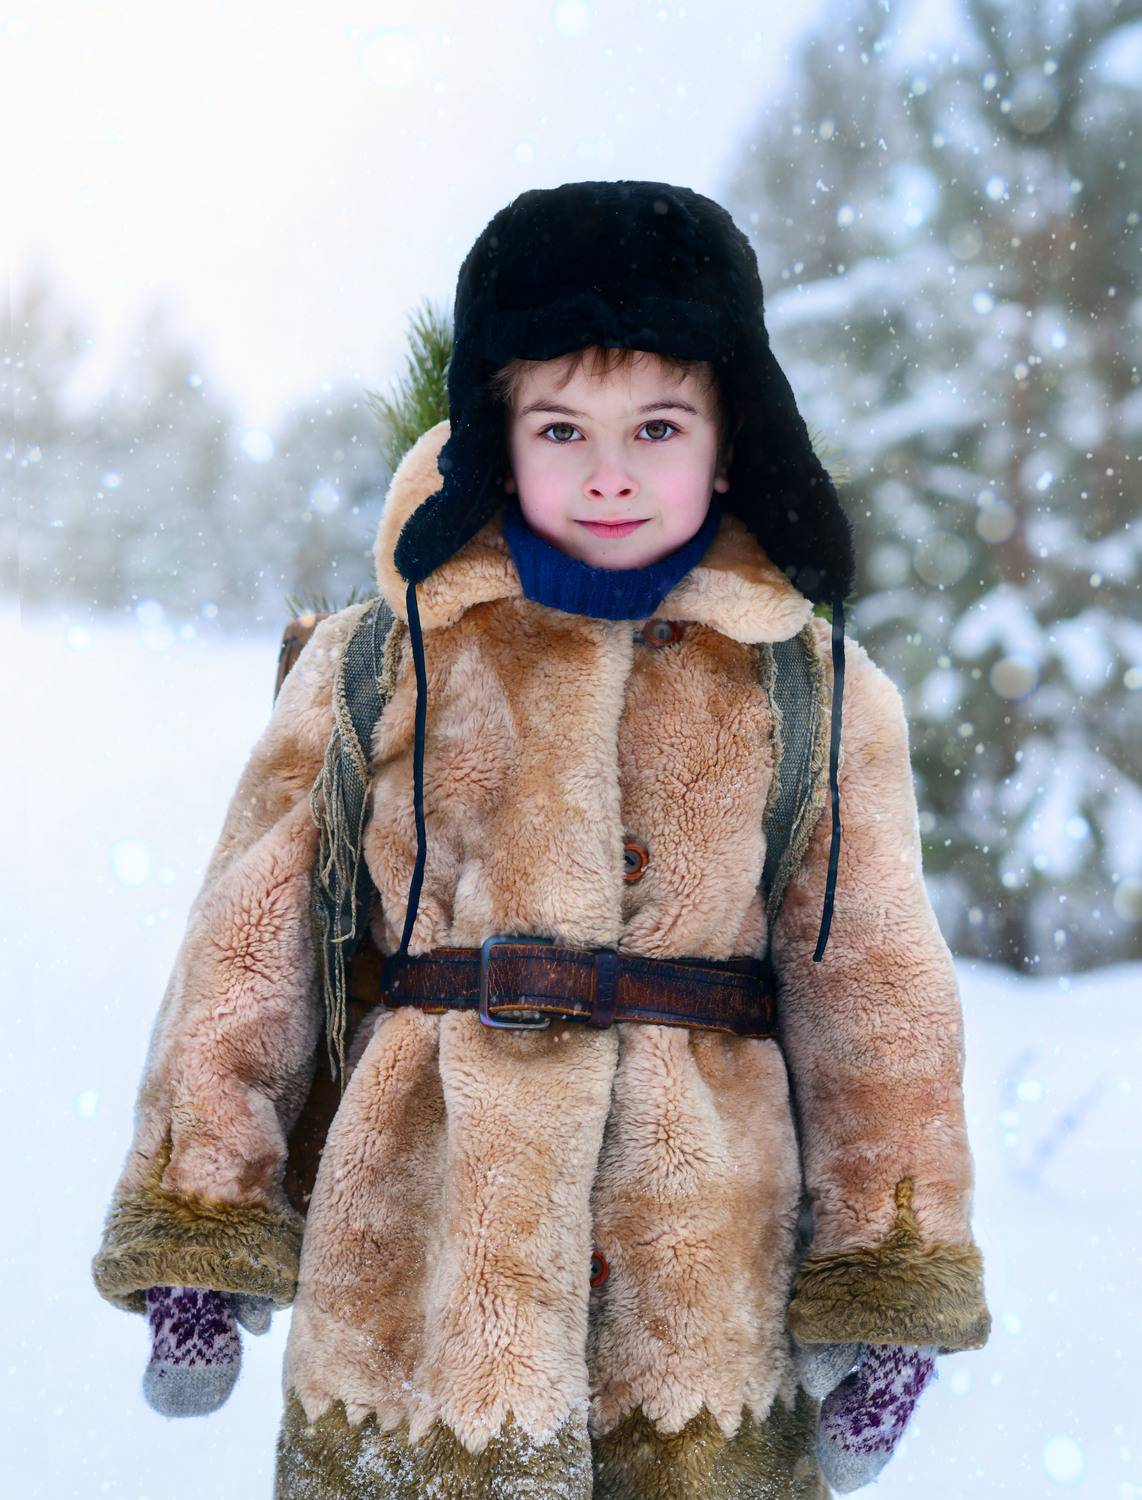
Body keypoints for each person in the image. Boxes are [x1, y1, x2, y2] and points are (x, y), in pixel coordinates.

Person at [91, 180, 991, 1499]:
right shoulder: (380, 660)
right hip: (413, 1256)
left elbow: (877, 993)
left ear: (728, 442)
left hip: (698, 1285)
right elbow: (249, 941)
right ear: (493, 440)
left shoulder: (814, 689)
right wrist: (205, 1210)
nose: (610, 472)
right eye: (561, 428)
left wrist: (886, 1267)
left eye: (658, 427)